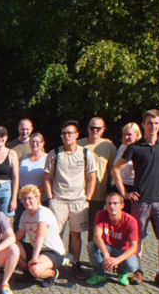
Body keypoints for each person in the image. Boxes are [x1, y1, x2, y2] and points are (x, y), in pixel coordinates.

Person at [112, 109, 159, 289]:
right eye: (150, 123)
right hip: (141, 202)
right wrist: (124, 193)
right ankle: (138, 270)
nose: (153, 126)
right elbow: (116, 169)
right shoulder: (135, 147)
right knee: (137, 239)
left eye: (156, 123)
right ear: (144, 124)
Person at [44, 120, 97, 279]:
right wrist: (50, 199)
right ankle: (56, 262)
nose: (67, 136)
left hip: (78, 202)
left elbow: (92, 178)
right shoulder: (55, 154)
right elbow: (47, 178)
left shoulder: (86, 153)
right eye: (64, 133)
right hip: (59, 201)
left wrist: (87, 199)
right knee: (56, 233)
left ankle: (75, 262)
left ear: (76, 135)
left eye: (70, 133)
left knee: (75, 234)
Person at [16, 185, 66, 288]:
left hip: (52, 251)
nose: (27, 201)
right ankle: (27, 271)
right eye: (24, 199)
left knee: (36, 270)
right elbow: (18, 237)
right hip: (36, 249)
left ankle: (52, 273)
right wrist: (1, 239)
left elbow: (40, 234)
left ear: (37, 199)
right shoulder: (24, 214)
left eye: (30, 198)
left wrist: (34, 258)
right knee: (12, 247)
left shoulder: (43, 212)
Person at [86, 192, 140, 286]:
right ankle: (99, 274)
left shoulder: (131, 221)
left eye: (115, 203)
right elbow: (96, 236)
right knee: (91, 245)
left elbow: (134, 247)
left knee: (132, 265)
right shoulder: (100, 214)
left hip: (122, 250)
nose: (112, 206)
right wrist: (106, 254)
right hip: (108, 247)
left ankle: (122, 272)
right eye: (109, 203)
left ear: (122, 205)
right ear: (105, 205)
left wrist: (117, 260)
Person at [78, 117, 117, 243]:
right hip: (78, 193)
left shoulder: (109, 146)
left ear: (103, 130)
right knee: (75, 228)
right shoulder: (78, 144)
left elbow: (113, 172)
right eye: (92, 128)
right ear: (87, 128)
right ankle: (73, 255)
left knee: (94, 228)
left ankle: (92, 256)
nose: (94, 130)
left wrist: (112, 193)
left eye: (98, 128)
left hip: (98, 194)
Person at [15, 133, 48, 229]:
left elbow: (49, 179)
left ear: (42, 143)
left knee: (40, 227)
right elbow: (16, 177)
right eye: (32, 142)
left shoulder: (47, 158)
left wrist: (34, 194)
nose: (34, 144)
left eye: (37, 142)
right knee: (19, 226)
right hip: (23, 199)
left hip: (41, 199)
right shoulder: (23, 158)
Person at [111, 123, 141, 214]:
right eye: (124, 134)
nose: (126, 137)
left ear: (137, 135)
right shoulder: (122, 148)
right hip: (119, 186)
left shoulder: (141, 150)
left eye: (129, 134)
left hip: (133, 188)